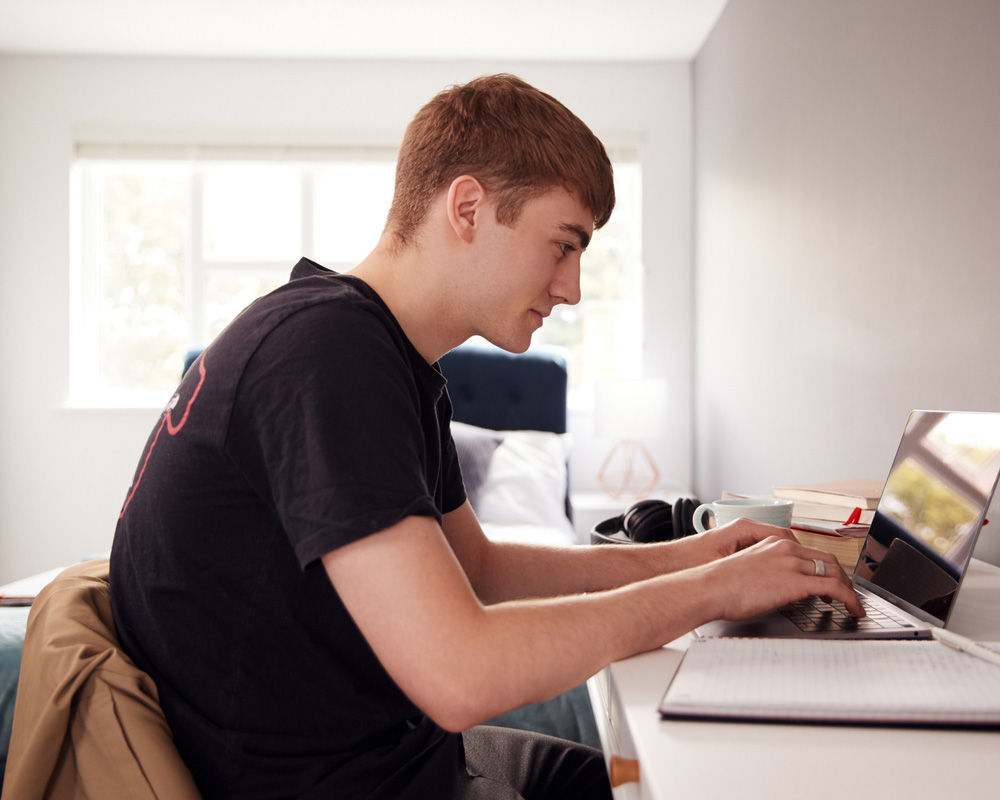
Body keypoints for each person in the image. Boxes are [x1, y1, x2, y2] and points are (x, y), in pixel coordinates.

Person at [109, 73, 863, 800]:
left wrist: (690, 556)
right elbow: (460, 676)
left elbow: (479, 568)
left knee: (664, 779)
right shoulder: (326, 352)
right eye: (563, 244)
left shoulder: (393, 363)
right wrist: (711, 591)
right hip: (340, 784)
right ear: (467, 207)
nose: (569, 288)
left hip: (390, 757)